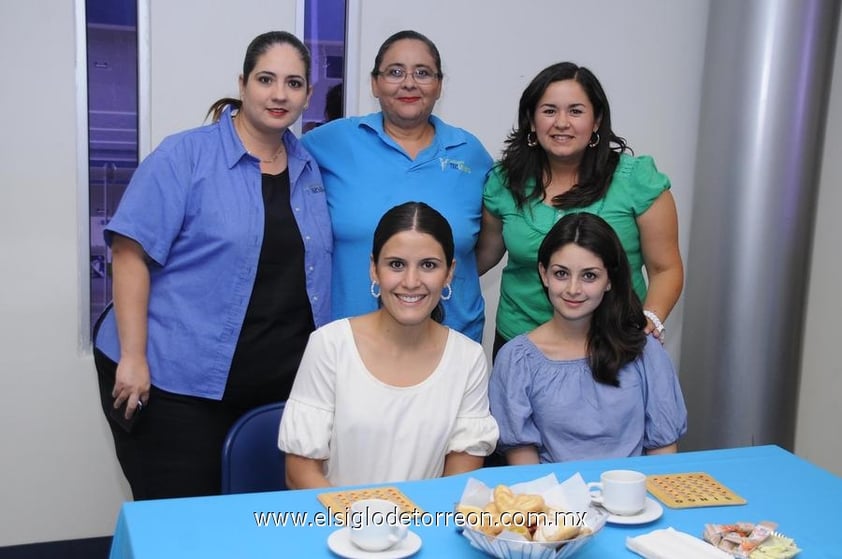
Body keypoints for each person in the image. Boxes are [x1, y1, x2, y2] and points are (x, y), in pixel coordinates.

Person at [93, 31, 332, 500]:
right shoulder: (184, 157)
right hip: (174, 380)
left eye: (294, 83)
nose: (279, 94)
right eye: (266, 79)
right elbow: (128, 253)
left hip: (275, 385)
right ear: (243, 84)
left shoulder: (308, 168)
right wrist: (135, 358)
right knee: (183, 524)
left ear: (308, 93)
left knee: (257, 523)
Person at [279, 202, 499, 488]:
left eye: (428, 265)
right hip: (337, 525)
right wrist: (366, 528)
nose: (411, 281)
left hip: (427, 526)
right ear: (374, 269)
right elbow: (300, 472)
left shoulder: (468, 358)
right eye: (396, 264)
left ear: (449, 273)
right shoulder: (330, 345)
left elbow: (460, 479)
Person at [477, 62, 683, 355]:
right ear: (532, 122)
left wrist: (650, 321)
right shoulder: (505, 181)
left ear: (596, 120)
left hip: (613, 344)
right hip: (522, 344)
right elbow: (482, 256)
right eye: (549, 111)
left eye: (576, 111)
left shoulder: (638, 181)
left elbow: (666, 268)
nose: (562, 122)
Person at [301, 30, 493, 343]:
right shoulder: (330, 144)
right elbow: (271, 162)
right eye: (394, 72)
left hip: (451, 342)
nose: (408, 83)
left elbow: (484, 247)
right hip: (351, 342)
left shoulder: (470, 153)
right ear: (374, 83)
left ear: (439, 85)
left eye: (422, 72)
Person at [489, 213, 687, 464]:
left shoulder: (646, 352)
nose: (573, 289)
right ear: (544, 274)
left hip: (636, 498)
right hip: (552, 500)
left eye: (589, 276)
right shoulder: (516, 360)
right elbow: (526, 476)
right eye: (561, 273)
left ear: (609, 280)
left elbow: (663, 460)